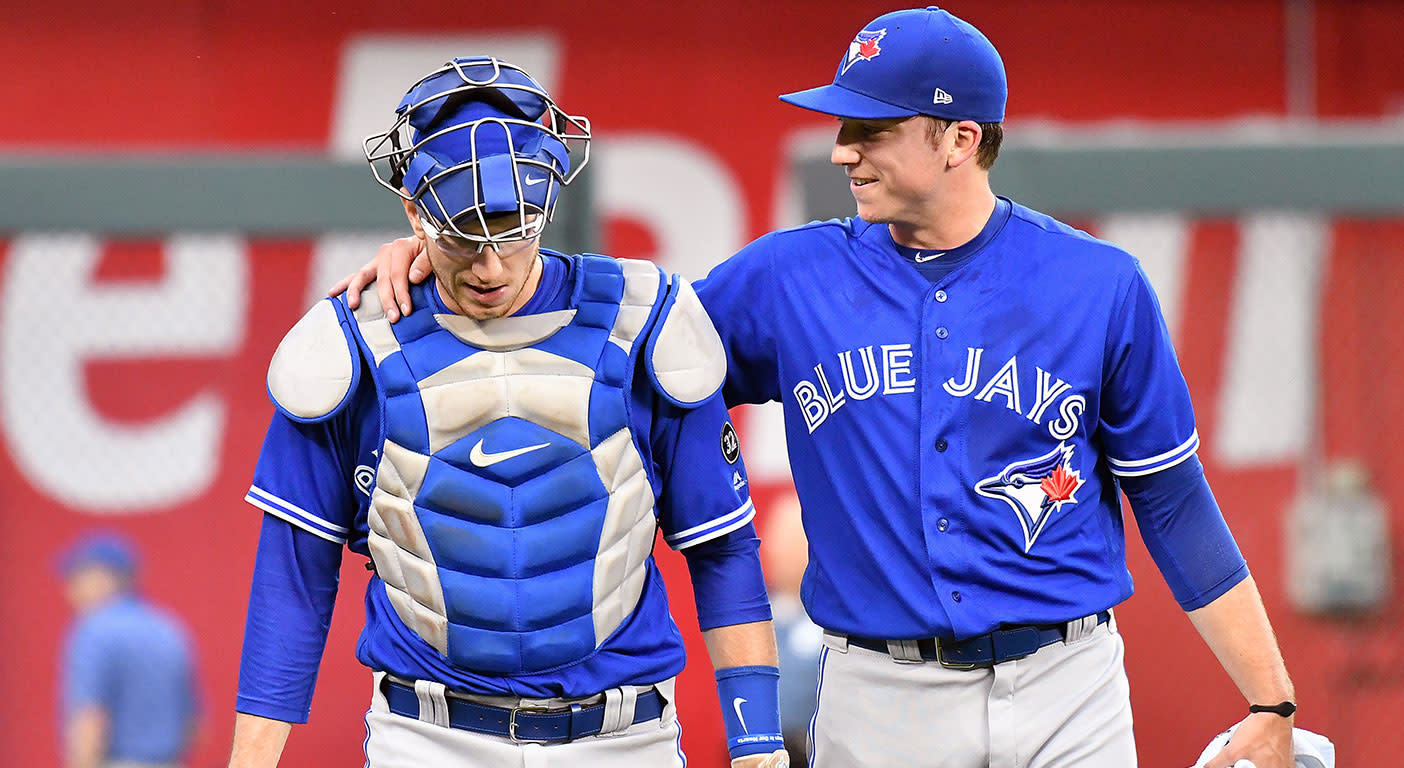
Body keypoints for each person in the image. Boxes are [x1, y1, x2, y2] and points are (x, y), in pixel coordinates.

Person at [335, 10, 1299, 768]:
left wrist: (1270, 700)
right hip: (881, 697)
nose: (842, 148)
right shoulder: (789, 280)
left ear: (961, 137)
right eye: (842, 125)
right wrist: (456, 251)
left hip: (1069, 682)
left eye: (872, 127)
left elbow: (1173, 503)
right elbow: (609, 341)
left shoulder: (1099, 287)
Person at [229, 56, 788, 768]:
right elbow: (294, 579)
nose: (491, 268)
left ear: (549, 201)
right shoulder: (353, 346)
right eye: (463, 235)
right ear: (413, 209)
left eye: (513, 230)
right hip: (427, 737)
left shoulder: (643, 324)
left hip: (624, 737)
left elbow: (721, 546)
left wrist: (758, 741)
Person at [58, 531, 201, 768]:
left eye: (77, 578)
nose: (69, 591)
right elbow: (193, 725)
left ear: (103, 578)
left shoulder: (93, 631)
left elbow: (89, 720)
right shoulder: (169, 629)